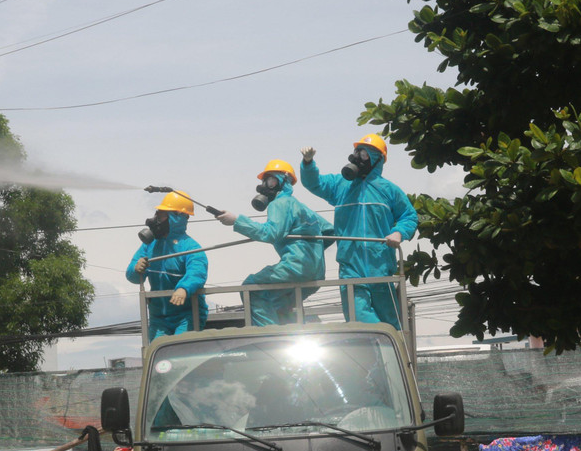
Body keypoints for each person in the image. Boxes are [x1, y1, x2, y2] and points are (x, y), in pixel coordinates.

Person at [300, 134, 418, 328]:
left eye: (364, 154)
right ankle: (381, 342)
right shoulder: (340, 186)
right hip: (350, 265)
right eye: (356, 152)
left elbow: (409, 216)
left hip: (381, 265)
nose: (357, 157)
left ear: (377, 159)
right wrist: (308, 163)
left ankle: (392, 350)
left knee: (391, 320)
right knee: (358, 316)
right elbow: (315, 183)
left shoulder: (389, 190)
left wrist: (399, 232)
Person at [217, 160, 335, 326]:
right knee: (279, 304)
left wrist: (236, 221)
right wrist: (312, 253)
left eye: (270, 180)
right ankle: (290, 338)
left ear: (283, 181)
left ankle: (269, 338)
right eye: (264, 181)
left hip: (295, 267)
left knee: (251, 289)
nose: (265, 185)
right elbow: (330, 231)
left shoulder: (280, 203)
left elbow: (270, 232)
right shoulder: (301, 206)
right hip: (316, 272)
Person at [126, 192, 208, 340]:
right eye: (157, 213)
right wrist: (135, 269)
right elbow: (132, 276)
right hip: (159, 318)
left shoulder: (191, 247)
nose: (155, 219)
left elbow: (197, 272)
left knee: (180, 354)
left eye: (161, 214)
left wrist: (184, 288)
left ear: (176, 217)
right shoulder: (149, 245)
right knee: (160, 357)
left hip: (187, 315)